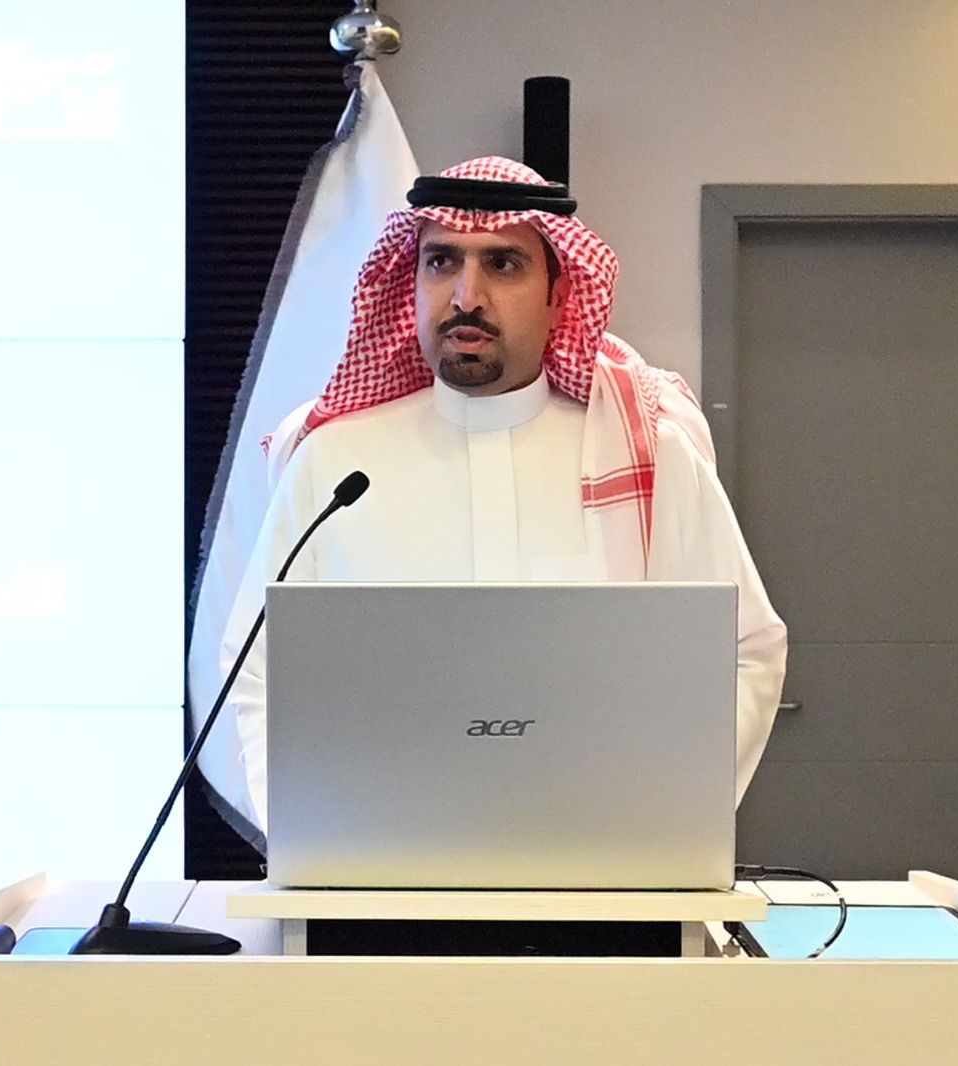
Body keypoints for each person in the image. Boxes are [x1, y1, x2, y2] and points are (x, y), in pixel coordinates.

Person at [219, 155, 786, 834]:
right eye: (441, 262)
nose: (467, 296)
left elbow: (745, 650)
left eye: (503, 264)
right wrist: (305, 830)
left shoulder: (649, 456)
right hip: (381, 864)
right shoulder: (334, 465)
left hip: (602, 864)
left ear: (559, 295)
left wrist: (666, 819)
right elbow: (257, 668)